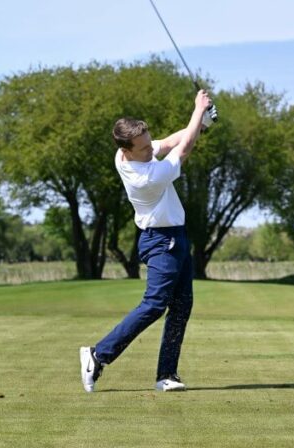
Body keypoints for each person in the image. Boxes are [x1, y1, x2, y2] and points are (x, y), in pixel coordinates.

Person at [80, 89, 214, 393]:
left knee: (181, 307)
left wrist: (201, 122)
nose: (148, 151)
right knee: (155, 304)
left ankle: (167, 374)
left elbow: (168, 142)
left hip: (175, 237)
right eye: (142, 149)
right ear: (126, 150)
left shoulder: (130, 152)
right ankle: (97, 355)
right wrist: (198, 110)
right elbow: (185, 147)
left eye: (146, 144)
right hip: (160, 240)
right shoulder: (146, 177)